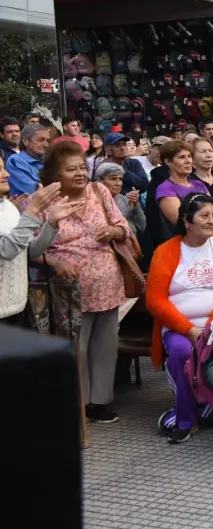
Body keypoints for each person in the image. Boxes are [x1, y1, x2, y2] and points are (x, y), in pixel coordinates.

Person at [29, 141, 131, 423]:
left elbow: (124, 228)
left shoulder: (99, 192)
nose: (79, 173)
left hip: (107, 284)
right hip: (66, 290)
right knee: (76, 346)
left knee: (105, 345)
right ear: (53, 174)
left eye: (81, 168)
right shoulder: (40, 202)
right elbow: (28, 249)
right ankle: (77, 403)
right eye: (70, 169)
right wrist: (54, 262)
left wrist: (113, 231)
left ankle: (100, 401)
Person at [145, 193, 213, 443]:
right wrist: (188, 329)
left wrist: (211, 327)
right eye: (204, 216)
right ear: (187, 221)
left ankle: (206, 407)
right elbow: (155, 300)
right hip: (179, 327)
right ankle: (186, 420)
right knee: (180, 352)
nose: (212, 221)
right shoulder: (166, 251)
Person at [0, 161, 79, 324]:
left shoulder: (8, 207)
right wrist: (33, 211)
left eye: (3, 168)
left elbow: (29, 251)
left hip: (18, 307)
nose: (6, 174)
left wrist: (51, 223)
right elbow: (6, 251)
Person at [155, 140, 209, 232]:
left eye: (189, 156)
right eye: (181, 157)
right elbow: (182, 222)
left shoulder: (199, 184)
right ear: (168, 162)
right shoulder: (165, 189)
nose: (188, 161)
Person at [94, 163, 146, 237]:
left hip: (128, 245)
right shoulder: (93, 202)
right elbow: (114, 225)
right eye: (113, 179)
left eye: (120, 179)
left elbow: (142, 227)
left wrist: (135, 205)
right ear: (99, 181)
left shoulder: (125, 199)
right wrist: (129, 208)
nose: (118, 183)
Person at [6, 123, 50, 197]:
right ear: (26, 141)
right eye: (40, 140)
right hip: (28, 207)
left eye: (48, 140)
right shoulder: (15, 161)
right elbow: (36, 189)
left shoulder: (48, 159)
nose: (46, 144)